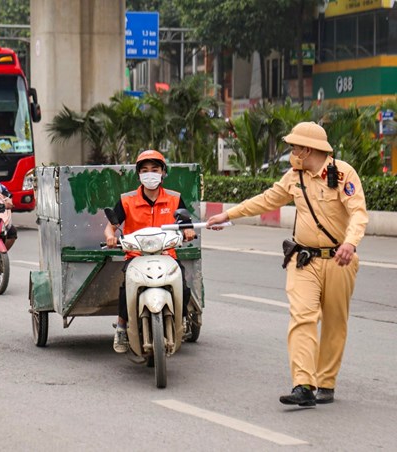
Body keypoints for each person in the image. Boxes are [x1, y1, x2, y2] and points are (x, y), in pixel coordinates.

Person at [206, 121, 368, 407]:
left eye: (295, 147)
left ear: (307, 149)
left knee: (334, 323)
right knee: (302, 318)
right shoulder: (294, 177)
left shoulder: (344, 174)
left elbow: (358, 213)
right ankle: (304, 384)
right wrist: (229, 214)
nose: (292, 151)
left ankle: (326, 383)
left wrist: (350, 242)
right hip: (304, 260)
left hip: (339, 261)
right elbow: (267, 200)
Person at [104, 150, 196, 353]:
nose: (150, 174)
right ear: (138, 175)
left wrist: (188, 231)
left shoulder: (174, 199)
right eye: (145, 170)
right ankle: (121, 328)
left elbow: (186, 223)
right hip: (137, 256)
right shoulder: (127, 200)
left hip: (166, 255)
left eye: (155, 169)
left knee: (183, 287)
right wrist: (110, 236)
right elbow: (112, 225)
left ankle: (181, 320)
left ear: (163, 172)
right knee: (125, 290)